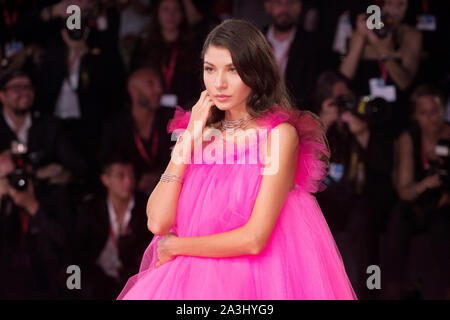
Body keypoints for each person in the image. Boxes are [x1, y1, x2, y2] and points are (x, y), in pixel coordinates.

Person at [117, 19, 356, 300]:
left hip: (256, 279)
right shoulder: (198, 135)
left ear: (255, 71)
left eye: (232, 69)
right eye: (210, 69)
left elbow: (255, 239)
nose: (219, 83)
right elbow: (157, 222)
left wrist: (179, 247)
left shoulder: (278, 136)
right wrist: (189, 138)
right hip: (189, 280)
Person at [314, 71, 395, 299]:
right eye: (336, 100)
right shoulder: (317, 127)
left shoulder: (365, 124)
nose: (343, 105)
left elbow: (383, 171)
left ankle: (365, 292)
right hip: (327, 200)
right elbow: (305, 169)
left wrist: (363, 135)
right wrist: (323, 124)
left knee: (363, 216)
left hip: (359, 202)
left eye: (346, 98)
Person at [384, 84, 450, 299]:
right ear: (415, 116)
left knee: (442, 225)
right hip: (418, 201)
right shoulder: (409, 138)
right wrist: (425, 185)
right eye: (424, 113)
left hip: (445, 203)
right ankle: (390, 289)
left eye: (435, 112)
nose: (431, 119)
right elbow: (404, 191)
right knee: (399, 215)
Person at [71, 152, 152, 300]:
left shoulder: (146, 206)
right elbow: (77, 251)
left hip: (134, 276)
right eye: (120, 176)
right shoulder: (90, 209)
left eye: (131, 176)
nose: (128, 182)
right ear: (105, 180)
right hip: (98, 279)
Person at [339, 0, 422, 134]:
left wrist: (382, 50)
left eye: (400, 5)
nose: (393, 11)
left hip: (397, 112)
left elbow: (405, 82)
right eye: (389, 3)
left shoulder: (411, 35)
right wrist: (361, 35)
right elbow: (344, 76)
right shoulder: (364, 32)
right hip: (364, 111)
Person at [100, 67, 176, 195]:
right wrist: (135, 179)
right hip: (130, 195)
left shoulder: (171, 118)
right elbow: (108, 162)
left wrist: (161, 176)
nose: (159, 89)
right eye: (151, 84)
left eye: (160, 84)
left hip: (170, 191)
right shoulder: (116, 125)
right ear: (133, 91)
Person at [263, 0, 320, 110]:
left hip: (297, 114)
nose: (284, 9)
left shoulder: (312, 44)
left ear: (298, 6)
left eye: (290, 3)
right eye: (278, 3)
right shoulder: (254, 39)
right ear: (268, 6)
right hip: (257, 112)